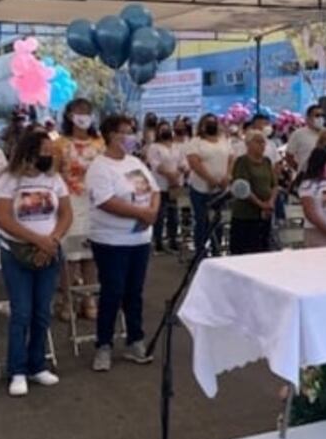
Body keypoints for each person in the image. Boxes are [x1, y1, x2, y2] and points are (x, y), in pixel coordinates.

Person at [0, 131, 72, 397]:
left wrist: (53, 239)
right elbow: (3, 218)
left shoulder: (54, 179)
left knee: (41, 312)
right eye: (45, 150)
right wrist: (37, 240)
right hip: (17, 252)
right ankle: (17, 369)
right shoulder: (7, 179)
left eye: (52, 150)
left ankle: (37, 364)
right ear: (29, 151)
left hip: (49, 249)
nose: (50, 155)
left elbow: (65, 213)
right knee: (21, 312)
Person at [86, 115, 160, 372]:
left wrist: (151, 211)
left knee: (134, 292)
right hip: (111, 240)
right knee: (112, 291)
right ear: (111, 135)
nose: (130, 137)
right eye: (124, 133)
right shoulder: (100, 167)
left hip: (139, 238)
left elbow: (154, 191)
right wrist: (140, 213)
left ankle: (135, 340)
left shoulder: (135, 162)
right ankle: (103, 345)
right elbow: (106, 201)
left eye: (131, 132)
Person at [55, 99, 104, 320]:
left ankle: (89, 298)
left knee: (91, 255)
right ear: (69, 115)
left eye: (87, 111)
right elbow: (53, 175)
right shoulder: (60, 144)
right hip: (70, 203)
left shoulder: (99, 143)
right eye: (78, 111)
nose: (83, 115)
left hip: (94, 203)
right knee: (70, 256)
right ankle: (67, 300)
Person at [186, 113, 232, 256]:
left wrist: (227, 176)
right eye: (208, 122)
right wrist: (209, 178)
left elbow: (231, 158)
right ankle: (201, 252)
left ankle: (217, 250)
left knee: (217, 221)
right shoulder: (196, 142)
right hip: (200, 188)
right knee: (202, 221)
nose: (212, 124)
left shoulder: (224, 140)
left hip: (221, 189)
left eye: (214, 122)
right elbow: (194, 162)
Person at [229, 130, 277, 255]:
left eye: (263, 142)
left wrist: (270, 202)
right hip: (246, 214)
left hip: (265, 214)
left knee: (262, 248)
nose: (262, 145)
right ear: (248, 144)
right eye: (258, 142)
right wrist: (261, 204)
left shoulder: (267, 161)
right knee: (245, 249)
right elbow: (243, 188)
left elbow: (274, 185)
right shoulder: (242, 162)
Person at [146, 120, 185, 253]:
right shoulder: (154, 147)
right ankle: (158, 242)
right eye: (162, 129)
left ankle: (173, 240)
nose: (165, 131)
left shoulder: (177, 147)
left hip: (175, 186)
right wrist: (170, 175)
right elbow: (155, 165)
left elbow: (183, 163)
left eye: (167, 128)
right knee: (160, 215)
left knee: (174, 215)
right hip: (160, 186)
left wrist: (177, 174)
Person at [285, 104, 324, 170]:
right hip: (304, 175)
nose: (320, 118)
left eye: (322, 115)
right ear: (308, 118)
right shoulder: (298, 134)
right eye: (317, 115)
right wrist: (300, 170)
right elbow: (289, 156)